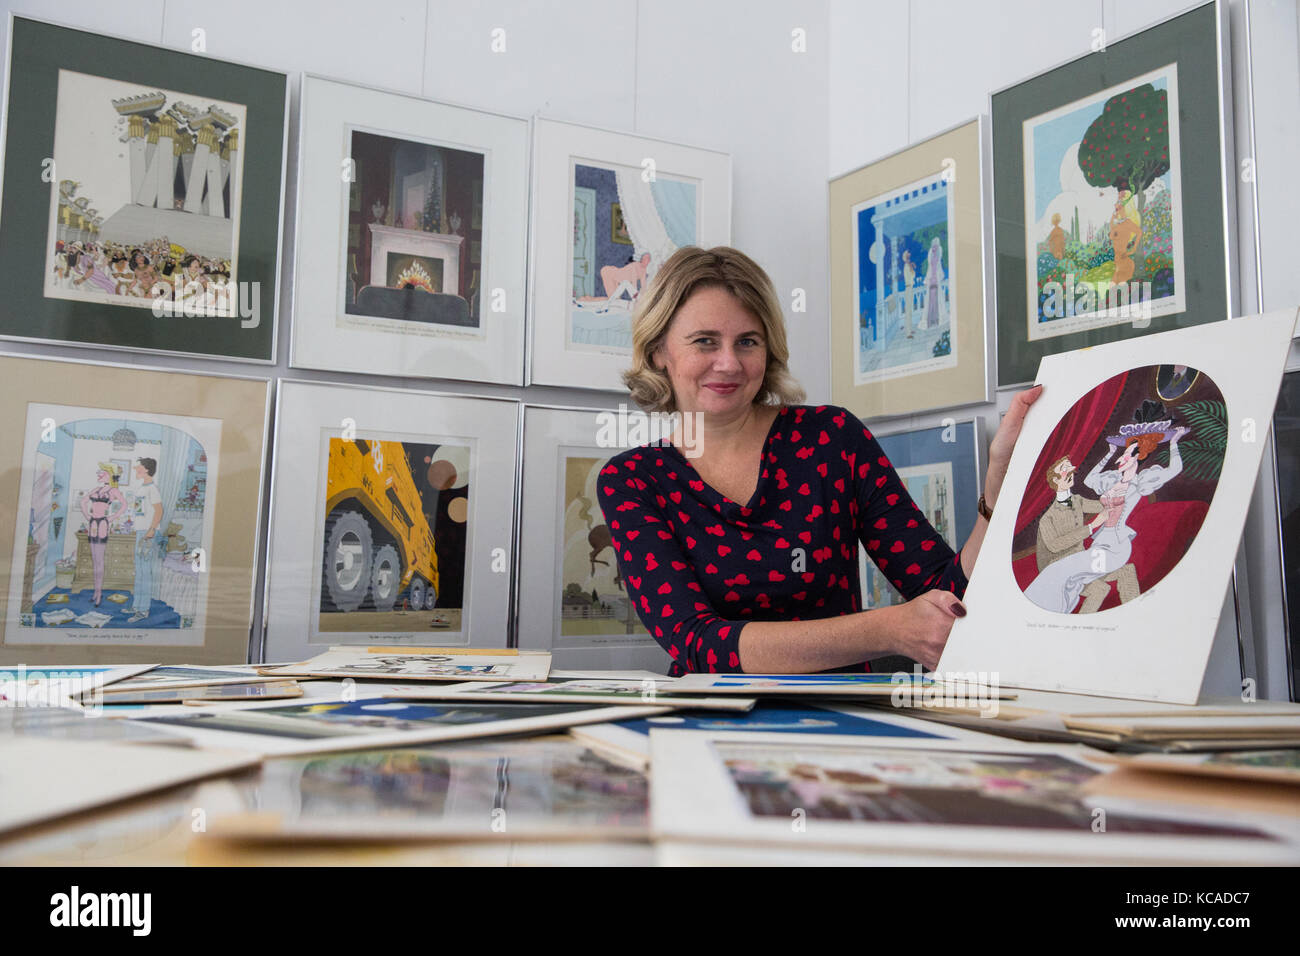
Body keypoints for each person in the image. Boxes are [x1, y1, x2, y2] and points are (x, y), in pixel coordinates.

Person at [595, 246, 1040, 676]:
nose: (728, 363)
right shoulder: (631, 480)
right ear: (659, 351)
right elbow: (696, 643)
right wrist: (887, 629)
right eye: (705, 342)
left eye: (747, 341)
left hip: (848, 721)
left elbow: (948, 597)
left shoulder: (832, 438)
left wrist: (995, 496)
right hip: (705, 727)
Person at [1024, 423, 1185, 614]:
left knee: (1060, 572)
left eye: (1128, 453)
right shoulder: (1111, 481)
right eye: (1123, 452)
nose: (1122, 457)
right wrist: (1109, 454)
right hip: (1098, 546)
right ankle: (1054, 614)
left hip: (1116, 546)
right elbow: (1089, 480)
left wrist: (1174, 443)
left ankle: (1042, 613)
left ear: (1139, 457)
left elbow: (1175, 469)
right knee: (1075, 580)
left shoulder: (1140, 483)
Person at [1029, 455, 1139, 614]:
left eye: (1071, 472)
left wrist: (1125, 483)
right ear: (1056, 481)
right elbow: (1054, 546)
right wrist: (1092, 526)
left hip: (1084, 562)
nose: (1070, 475)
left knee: (1127, 571)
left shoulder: (1078, 500)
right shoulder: (1048, 519)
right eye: (1065, 473)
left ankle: (1133, 616)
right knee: (1099, 589)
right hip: (1061, 569)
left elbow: (1103, 505)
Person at [79, 463, 126, 606]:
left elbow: (124, 504)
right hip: (93, 524)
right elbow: (83, 501)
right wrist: (87, 515)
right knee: (95, 561)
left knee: (99, 561)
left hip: (103, 525)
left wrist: (112, 517)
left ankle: (99, 593)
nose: (99, 475)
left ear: (109, 475)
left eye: (102, 473)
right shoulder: (96, 489)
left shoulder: (113, 491)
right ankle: (96, 591)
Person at [127, 457, 164, 624]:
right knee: (139, 570)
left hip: (147, 533)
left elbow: (159, 511)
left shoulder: (152, 489)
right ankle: (137, 606)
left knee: (145, 571)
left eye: (138, 468)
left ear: (147, 470)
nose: (136, 470)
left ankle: (143, 610)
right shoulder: (143, 487)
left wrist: (151, 530)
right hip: (140, 531)